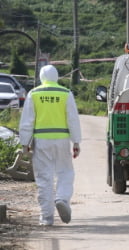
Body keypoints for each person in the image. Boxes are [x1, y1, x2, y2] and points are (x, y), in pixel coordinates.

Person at [19, 65, 81, 226]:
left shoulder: (34, 94)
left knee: (44, 178)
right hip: (62, 140)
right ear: (56, 77)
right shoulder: (66, 93)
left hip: (41, 141)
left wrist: (25, 143)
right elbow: (73, 119)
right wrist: (76, 142)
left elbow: (27, 121)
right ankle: (62, 198)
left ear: (41, 77)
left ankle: (46, 218)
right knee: (65, 172)